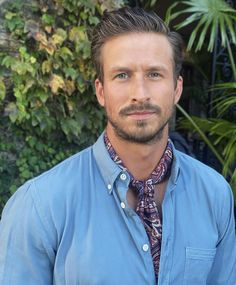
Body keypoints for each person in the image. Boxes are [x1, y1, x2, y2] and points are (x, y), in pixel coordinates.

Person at [0, 7, 235, 285]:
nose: (140, 94)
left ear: (177, 88)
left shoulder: (215, 194)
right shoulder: (40, 206)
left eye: (155, 74)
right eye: (122, 75)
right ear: (101, 91)